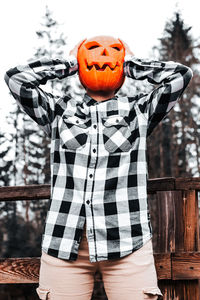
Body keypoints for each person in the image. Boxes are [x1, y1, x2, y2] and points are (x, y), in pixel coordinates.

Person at [4, 35, 193, 300]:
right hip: (64, 242)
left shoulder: (139, 111)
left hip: (128, 243)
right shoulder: (59, 112)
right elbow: (16, 79)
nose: (103, 57)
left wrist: (129, 65)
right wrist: (71, 64)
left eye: (112, 52)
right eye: (93, 51)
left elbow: (180, 75)